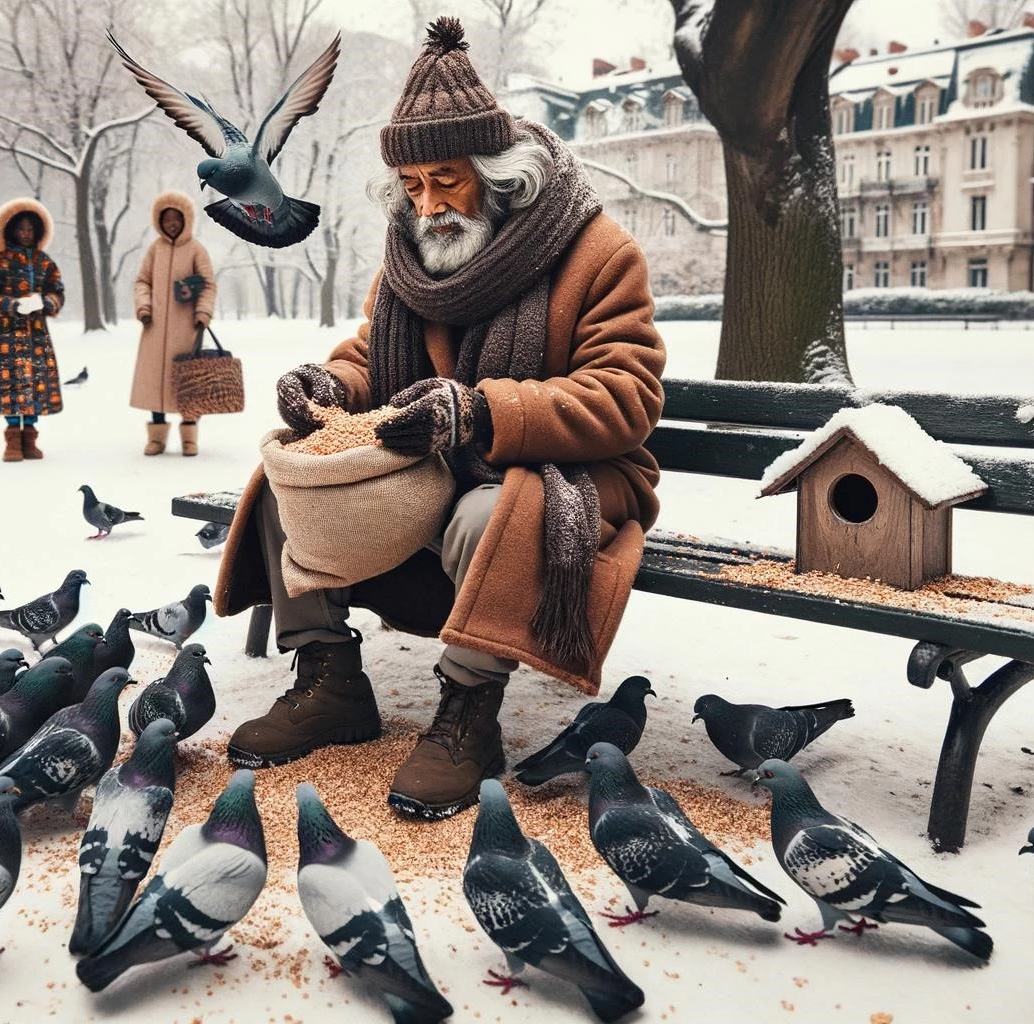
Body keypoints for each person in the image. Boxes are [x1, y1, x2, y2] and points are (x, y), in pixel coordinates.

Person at [212, 17, 665, 821]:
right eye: (414, 187)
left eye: (447, 180)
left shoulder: (596, 252)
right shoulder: (412, 257)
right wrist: (329, 386)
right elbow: (368, 357)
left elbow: (627, 395)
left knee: (495, 509)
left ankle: (467, 715)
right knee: (290, 476)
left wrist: (481, 412)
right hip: (427, 466)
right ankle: (329, 684)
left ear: (499, 175)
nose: (430, 205)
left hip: (561, 474)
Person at [0, 198, 65, 462]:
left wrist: (44, 302)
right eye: (21, 228)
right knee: (10, 386)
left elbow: (57, 291)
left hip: (36, 335)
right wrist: (11, 305)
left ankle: (30, 437)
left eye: (30, 229)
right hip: (6, 336)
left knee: (35, 385)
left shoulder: (44, 262)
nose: (26, 233)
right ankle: (12, 439)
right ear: (10, 229)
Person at [132, 191, 217, 456]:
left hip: (187, 329)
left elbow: (208, 285)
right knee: (155, 381)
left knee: (188, 383)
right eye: (166, 219)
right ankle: (156, 437)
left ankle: (189, 435)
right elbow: (142, 281)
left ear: (185, 220)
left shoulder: (196, 250)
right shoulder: (154, 250)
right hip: (154, 328)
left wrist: (203, 313)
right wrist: (144, 306)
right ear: (159, 221)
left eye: (176, 218)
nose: (171, 223)